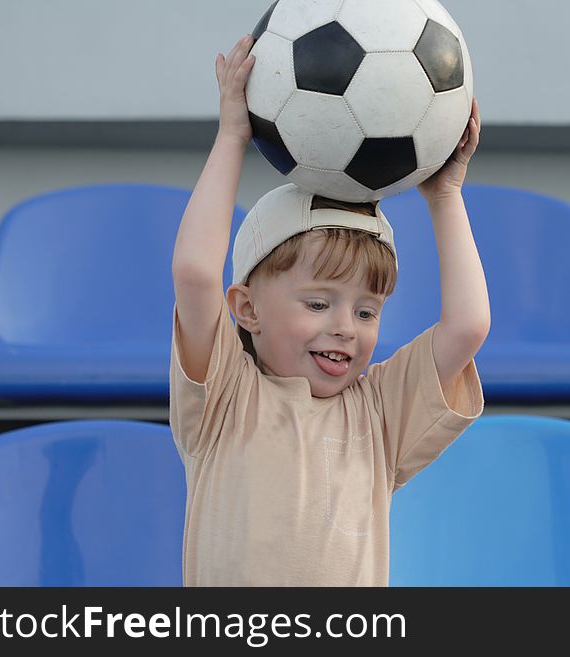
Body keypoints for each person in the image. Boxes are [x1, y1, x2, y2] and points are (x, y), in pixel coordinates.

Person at [169, 34, 489, 585]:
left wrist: (446, 196)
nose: (345, 328)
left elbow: (468, 326)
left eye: (367, 312)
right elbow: (197, 274)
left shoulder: (379, 414)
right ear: (246, 309)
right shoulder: (223, 395)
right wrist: (231, 136)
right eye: (318, 303)